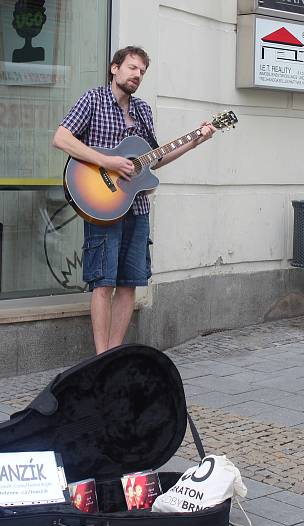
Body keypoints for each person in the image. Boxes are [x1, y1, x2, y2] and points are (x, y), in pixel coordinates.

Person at [52, 46, 217, 354]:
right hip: (101, 207)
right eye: (131, 68)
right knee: (103, 283)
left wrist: (195, 140)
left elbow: (154, 160)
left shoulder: (142, 110)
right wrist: (108, 162)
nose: (137, 75)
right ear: (114, 68)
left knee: (129, 283)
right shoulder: (93, 100)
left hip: (136, 208)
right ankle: (100, 358)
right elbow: (61, 138)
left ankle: (115, 355)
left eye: (142, 71)